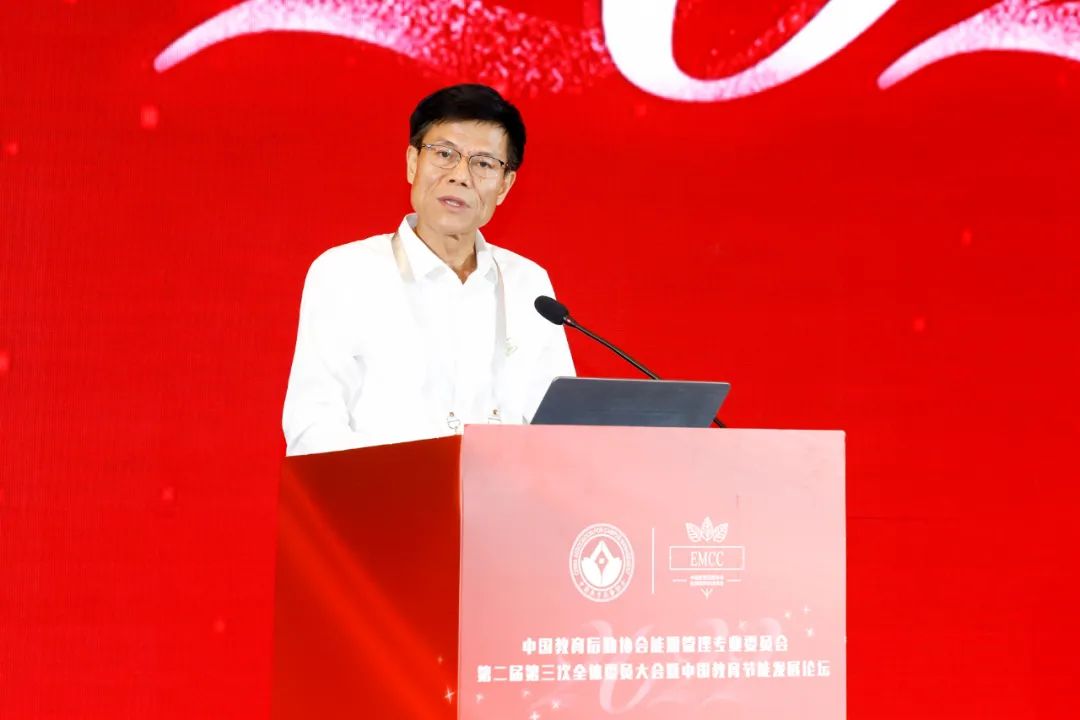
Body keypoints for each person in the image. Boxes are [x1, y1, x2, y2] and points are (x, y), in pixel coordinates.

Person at [282, 84, 575, 455]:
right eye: (444, 154)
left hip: (502, 492)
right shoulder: (345, 274)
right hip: (385, 491)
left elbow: (562, 432)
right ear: (412, 162)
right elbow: (312, 430)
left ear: (504, 185)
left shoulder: (529, 284)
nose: (460, 175)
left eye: (484, 163)